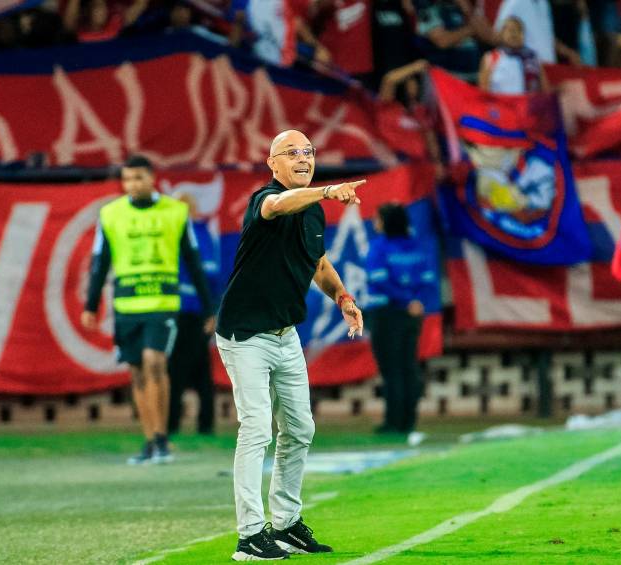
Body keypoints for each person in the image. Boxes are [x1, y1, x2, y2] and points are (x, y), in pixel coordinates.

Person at [215, 129, 365, 561]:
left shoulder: (315, 210)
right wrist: (328, 191)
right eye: (292, 152)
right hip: (245, 335)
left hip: (284, 334)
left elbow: (317, 262)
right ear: (272, 163)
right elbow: (278, 205)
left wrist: (342, 296)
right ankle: (248, 535)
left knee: (300, 429)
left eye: (309, 152)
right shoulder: (265, 198)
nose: (303, 158)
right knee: (258, 428)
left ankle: (285, 524)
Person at [82, 155, 214, 464]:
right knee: (137, 372)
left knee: (154, 361)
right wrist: (91, 304)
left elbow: (193, 261)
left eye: (139, 177)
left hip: (162, 303)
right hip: (127, 304)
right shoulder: (110, 215)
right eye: (128, 179)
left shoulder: (175, 212)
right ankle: (150, 439)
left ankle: (163, 436)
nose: (133, 184)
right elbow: (100, 263)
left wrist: (210, 307)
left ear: (152, 178)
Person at [365, 203, 436, 439]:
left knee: (391, 368)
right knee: (408, 366)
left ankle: (393, 423)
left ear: (385, 222)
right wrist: (415, 302)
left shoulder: (379, 247)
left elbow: (379, 280)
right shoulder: (416, 247)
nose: (375, 222)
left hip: (388, 313)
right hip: (413, 314)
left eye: (377, 218)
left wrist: (404, 301)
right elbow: (427, 280)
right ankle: (408, 421)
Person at [167, 193, 220, 436]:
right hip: (197, 310)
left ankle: (171, 424)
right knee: (200, 368)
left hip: (187, 310)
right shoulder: (202, 233)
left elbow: (208, 272)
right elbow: (213, 273)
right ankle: (205, 423)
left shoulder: (189, 234)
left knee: (177, 368)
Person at [479, 16, 548, 94]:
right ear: (501, 34)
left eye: (519, 30)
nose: (514, 34)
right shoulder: (490, 58)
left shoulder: (534, 59)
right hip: (500, 105)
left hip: (527, 104)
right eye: (510, 30)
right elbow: (483, 94)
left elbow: (545, 92)